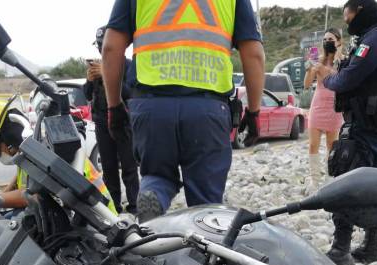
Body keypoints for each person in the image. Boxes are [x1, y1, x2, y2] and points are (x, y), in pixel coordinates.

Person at [102, 0, 266, 221]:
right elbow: (253, 54)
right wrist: (254, 112)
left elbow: (111, 47)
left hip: (151, 105)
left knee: (157, 175)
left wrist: (113, 105)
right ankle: (204, 241)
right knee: (206, 198)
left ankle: (155, 194)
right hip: (207, 107)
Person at [0, 97, 117, 265]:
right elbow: (23, 183)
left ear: (7, 143)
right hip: (84, 222)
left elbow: (34, 193)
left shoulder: (43, 154)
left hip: (99, 230)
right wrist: (6, 191)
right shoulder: (30, 149)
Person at [315, 0, 377, 265]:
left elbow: (348, 79)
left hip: (366, 124)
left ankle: (340, 249)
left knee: (347, 179)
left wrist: (328, 78)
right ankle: (372, 245)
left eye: (346, 17)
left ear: (358, 10)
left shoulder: (376, 37)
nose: (346, 23)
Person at [84, 27, 140, 214]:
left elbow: (131, 92)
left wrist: (107, 74)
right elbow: (87, 95)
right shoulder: (96, 67)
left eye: (104, 45)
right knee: (108, 168)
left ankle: (134, 207)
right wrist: (90, 80)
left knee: (129, 166)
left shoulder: (128, 65)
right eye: (99, 46)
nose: (102, 50)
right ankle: (114, 207)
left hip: (123, 122)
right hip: (101, 122)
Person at [304, 29, 345, 189]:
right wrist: (310, 68)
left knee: (331, 146)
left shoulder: (343, 61)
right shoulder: (318, 60)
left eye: (331, 39)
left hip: (334, 107)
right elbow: (307, 85)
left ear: (338, 42)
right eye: (325, 39)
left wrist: (338, 55)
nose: (327, 41)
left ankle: (330, 178)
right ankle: (314, 180)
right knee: (313, 144)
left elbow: (342, 79)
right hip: (318, 105)